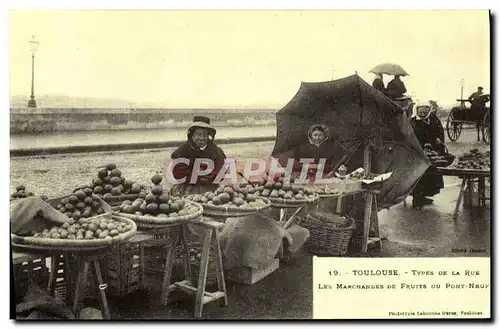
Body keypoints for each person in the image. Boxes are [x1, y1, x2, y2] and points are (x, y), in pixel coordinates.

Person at [169, 116, 227, 196]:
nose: (202, 138)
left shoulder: (215, 150)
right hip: (188, 189)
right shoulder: (183, 150)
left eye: (205, 135)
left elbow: (221, 170)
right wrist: (200, 179)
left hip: (211, 191)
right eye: (198, 135)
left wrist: (209, 178)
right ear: (192, 136)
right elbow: (179, 173)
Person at [409, 102, 445, 209]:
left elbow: (439, 132)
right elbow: (408, 138)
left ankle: (423, 197)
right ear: (416, 111)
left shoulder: (433, 120)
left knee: (430, 175)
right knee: (419, 176)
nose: (423, 114)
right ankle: (417, 201)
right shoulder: (412, 122)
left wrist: (438, 139)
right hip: (417, 154)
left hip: (431, 153)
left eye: (425, 112)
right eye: (421, 113)